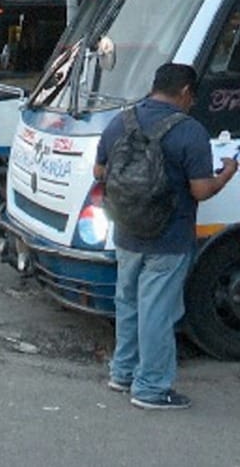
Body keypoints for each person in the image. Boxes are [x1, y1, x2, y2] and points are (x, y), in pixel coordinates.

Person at [95, 63, 236, 411]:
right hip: (169, 237)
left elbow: (100, 171)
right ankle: (152, 388)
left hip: (126, 231)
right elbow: (201, 190)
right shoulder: (189, 131)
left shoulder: (121, 121)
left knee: (127, 303)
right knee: (157, 312)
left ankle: (122, 372)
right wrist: (227, 174)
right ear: (187, 92)